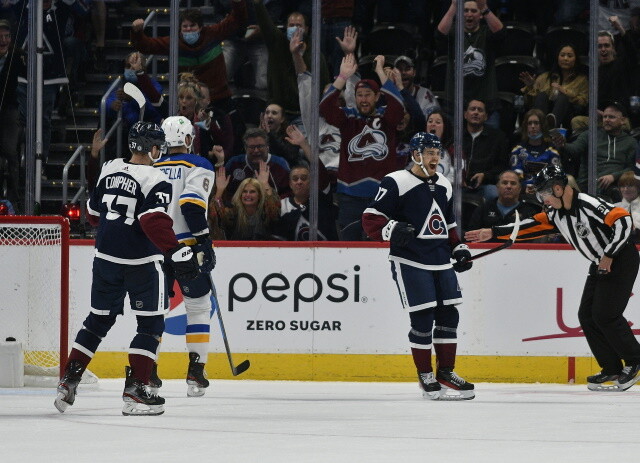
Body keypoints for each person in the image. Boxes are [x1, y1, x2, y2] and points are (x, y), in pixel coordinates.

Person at [54, 122, 200, 416]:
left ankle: (69, 380)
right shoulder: (157, 178)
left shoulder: (109, 167)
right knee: (150, 325)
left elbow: (94, 216)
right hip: (141, 264)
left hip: (105, 259)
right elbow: (152, 221)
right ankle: (136, 390)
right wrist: (177, 251)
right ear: (153, 148)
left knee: (98, 321)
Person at [465, 164, 640, 392]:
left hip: (620, 259)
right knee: (586, 315)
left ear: (559, 188)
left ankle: (634, 360)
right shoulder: (555, 212)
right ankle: (611, 368)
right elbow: (532, 226)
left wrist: (609, 254)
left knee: (606, 315)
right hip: (600, 262)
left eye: (545, 194)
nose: (543, 199)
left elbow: (623, 221)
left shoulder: (588, 204)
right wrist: (494, 232)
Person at [362, 132, 475, 401]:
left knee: (449, 316)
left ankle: (445, 372)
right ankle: (425, 374)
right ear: (415, 155)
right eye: (429, 152)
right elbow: (370, 218)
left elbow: (447, 223)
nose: (435, 157)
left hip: (440, 260)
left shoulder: (445, 184)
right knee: (423, 318)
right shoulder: (396, 181)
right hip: (410, 260)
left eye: (437, 152)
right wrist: (391, 228)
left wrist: (458, 248)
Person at [154, 116, 217, 397]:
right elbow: (190, 206)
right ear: (189, 139)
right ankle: (195, 372)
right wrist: (204, 241)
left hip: (153, 248)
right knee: (199, 306)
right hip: (185, 248)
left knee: (154, 310)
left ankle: (148, 371)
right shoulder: (199, 164)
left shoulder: (152, 167)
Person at [319, 54, 405, 241]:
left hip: (381, 195)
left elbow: (399, 105)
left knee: (381, 247)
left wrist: (380, 73)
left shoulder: (386, 119)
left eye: (368, 95)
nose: (363, 100)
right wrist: (342, 78)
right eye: (359, 95)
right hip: (350, 196)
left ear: (377, 97)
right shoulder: (348, 118)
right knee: (349, 247)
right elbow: (324, 107)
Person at [254, 0, 330, 120]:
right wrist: (258, 4)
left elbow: (325, 84)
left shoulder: (316, 55)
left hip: (305, 114)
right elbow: (266, 24)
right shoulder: (277, 43)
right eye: (291, 25)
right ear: (286, 27)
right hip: (279, 113)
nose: (294, 29)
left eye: (299, 26)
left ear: (307, 29)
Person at [436, 0, 505, 128]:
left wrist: (484, 7)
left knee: (488, 145)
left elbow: (500, 33)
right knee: (452, 145)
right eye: (465, 10)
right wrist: (454, 6)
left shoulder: (486, 32)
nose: (469, 14)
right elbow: (439, 34)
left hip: (486, 103)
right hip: (455, 104)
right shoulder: (454, 32)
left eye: (474, 11)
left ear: (480, 15)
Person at [552, 102, 635, 200]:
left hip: (615, 186)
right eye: (605, 117)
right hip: (586, 186)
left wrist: (613, 176)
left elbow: (632, 168)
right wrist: (563, 145)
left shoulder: (630, 142)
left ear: (623, 120)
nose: (607, 120)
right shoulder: (590, 135)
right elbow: (575, 149)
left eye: (611, 117)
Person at [275, 125, 338, 241]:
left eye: (304, 178)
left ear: (312, 181)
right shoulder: (282, 205)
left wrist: (303, 144)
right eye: (295, 179)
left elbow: (319, 168)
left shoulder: (321, 199)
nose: (299, 182)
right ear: (290, 184)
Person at [519, 43, 588, 130]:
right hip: (543, 112)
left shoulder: (582, 80)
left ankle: (549, 126)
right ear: (557, 57)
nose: (565, 58)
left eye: (570, 56)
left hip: (567, 115)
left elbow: (584, 102)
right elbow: (529, 103)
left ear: (576, 59)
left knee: (563, 98)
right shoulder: (545, 77)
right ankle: (544, 126)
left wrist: (566, 93)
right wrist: (530, 87)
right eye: (562, 55)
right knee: (542, 95)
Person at [210, 164, 281, 240]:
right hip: (235, 250)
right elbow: (216, 216)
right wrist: (220, 190)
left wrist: (265, 184)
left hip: (265, 249)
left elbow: (274, 211)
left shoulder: (265, 211)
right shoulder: (233, 212)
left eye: (252, 192)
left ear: (259, 195)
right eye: (244, 191)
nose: (248, 195)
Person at [221, 127, 291, 200]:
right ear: (245, 148)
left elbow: (288, 193)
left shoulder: (280, 164)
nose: (256, 150)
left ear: (267, 147)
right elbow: (225, 191)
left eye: (260, 146)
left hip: (272, 208)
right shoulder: (234, 163)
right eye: (252, 147)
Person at [461, 99, 510, 201]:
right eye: (472, 109)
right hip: (459, 185)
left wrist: (485, 176)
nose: (476, 112)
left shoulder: (498, 137)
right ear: (465, 114)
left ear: (486, 116)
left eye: (480, 110)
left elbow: (502, 166)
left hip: (486, 185)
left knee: (494, 193)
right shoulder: (456, 136)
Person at [467, 170, 541, 234]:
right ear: (497, 187)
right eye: (504, 183)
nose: (508, 186)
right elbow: (471, 236)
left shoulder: (529, 213)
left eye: (513, 183)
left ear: (519, 189)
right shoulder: (483, 209)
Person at [509, 109, 561, 189]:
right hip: (522, 190)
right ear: (526, 127)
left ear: (543, 126)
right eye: (529, 123)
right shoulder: (518, 150)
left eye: (536, 123)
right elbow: (516, 176)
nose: (533, 126)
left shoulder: (552, 151)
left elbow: (554, 177)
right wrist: (524, 188)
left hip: (546, 191)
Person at [393, 55, 440, 119]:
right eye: (400, 70)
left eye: (407, 69)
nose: (403, 73)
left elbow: (432, 121)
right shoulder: (390, 93)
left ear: (414, 72)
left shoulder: (425, 94)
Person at [615, 171, 640, 242]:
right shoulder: (613, 208)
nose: (625, 189)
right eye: (623, 186)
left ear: (638, 188)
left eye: (630, 186)